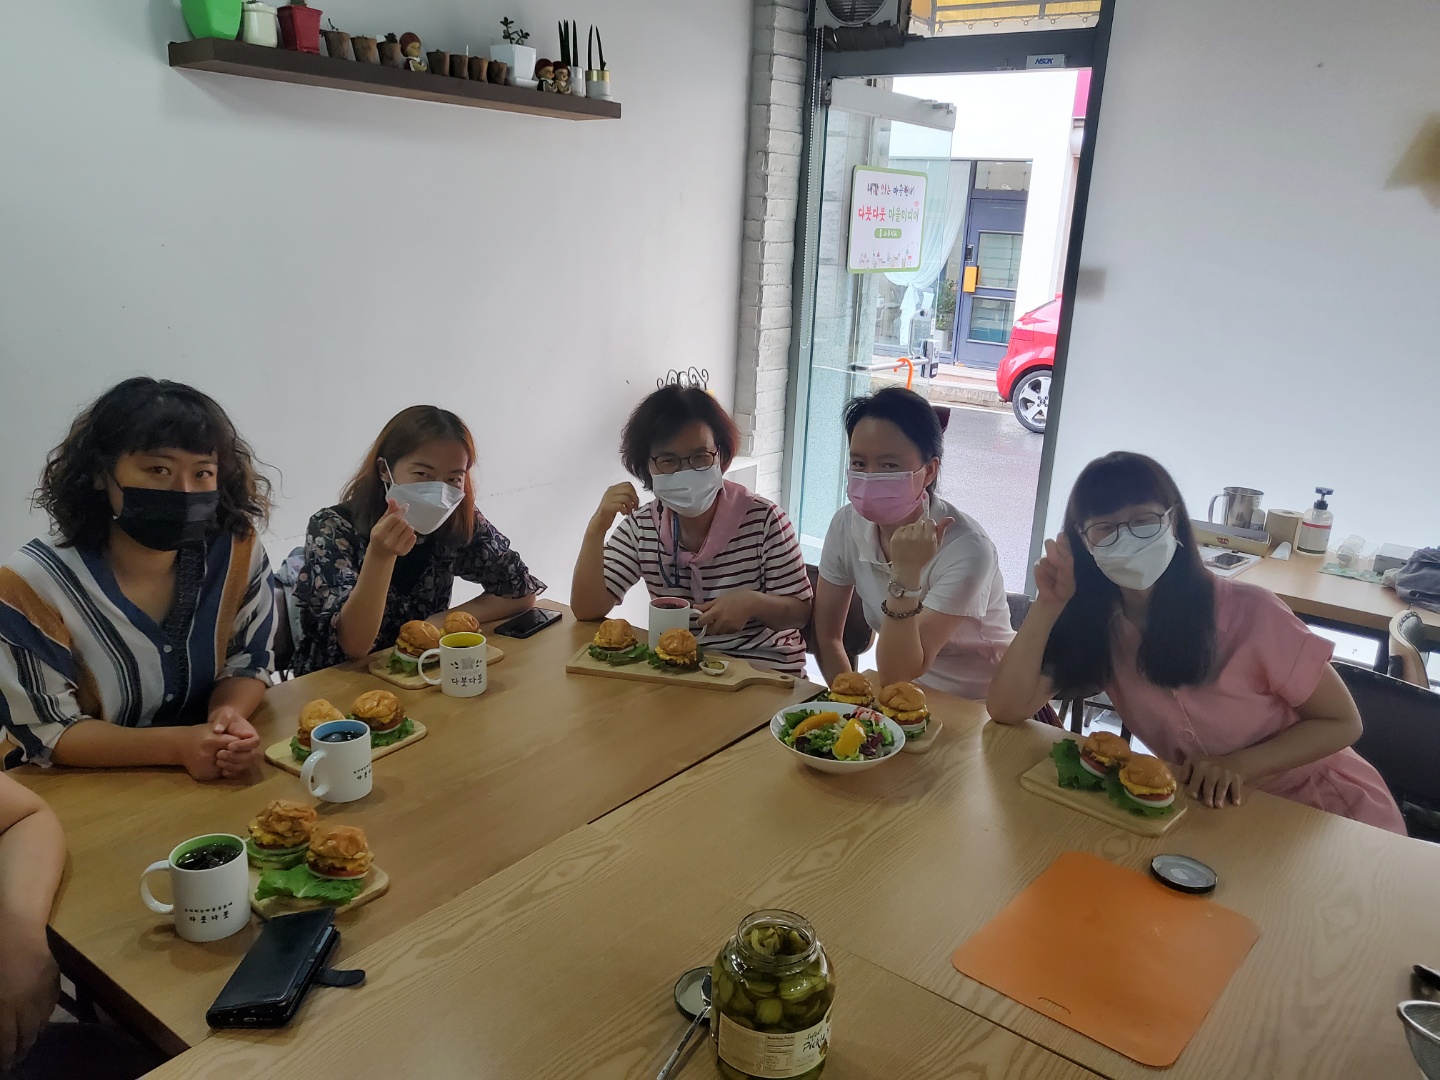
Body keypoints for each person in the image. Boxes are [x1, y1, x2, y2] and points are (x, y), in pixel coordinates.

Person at [986, 451, 1404, 833]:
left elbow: (1343, 722)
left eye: (1144, 521)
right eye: (1105, 529)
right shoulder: (1097, 625)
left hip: (1329, 811)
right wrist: (1049, 604)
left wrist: (1238, 765)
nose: (1127, 539)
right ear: (1081, 542)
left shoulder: (1252, 613)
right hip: (1213, 813)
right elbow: (1006, 709)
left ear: (1174, 521)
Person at [0, 379, 276, 779]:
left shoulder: (235, 550)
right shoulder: (29, 585)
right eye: (158, 469)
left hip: (208, 773)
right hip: (79, 786)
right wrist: (178, 746)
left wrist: (226, 717)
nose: (184, 490)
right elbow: (48, 729)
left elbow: (249, 660)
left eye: (203, 472)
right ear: (101, 474)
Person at [570, 385, 812, 674]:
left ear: (720, 455)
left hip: (763, 672)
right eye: (668, 461)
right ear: (646, 466)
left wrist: (753, 603)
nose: (685, 472)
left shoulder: (765, 521)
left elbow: (800, 613)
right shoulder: (642, 527)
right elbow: (586, 609)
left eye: (700, 457)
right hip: (681, 672)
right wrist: (597, 527)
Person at [294, 406, 543, 674]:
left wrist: (439, 621)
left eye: (453, 478)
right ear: (384, 470)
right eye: (423, 475)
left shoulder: (456, 518)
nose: (439, 492)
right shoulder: (333, 527)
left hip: (421, 670)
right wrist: (380, 556)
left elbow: (519, 591)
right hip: (339, 678)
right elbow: (354, 645)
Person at [813, 387, 1014, 698]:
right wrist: (848, 702)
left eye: (889, 466)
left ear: (929, 471)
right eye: (859, 464)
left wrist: (905, 575)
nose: (870, 477)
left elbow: (898, 671)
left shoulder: (967, 549)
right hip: (901, 696)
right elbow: (828, 637)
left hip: (983, 704)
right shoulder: (846, 525)